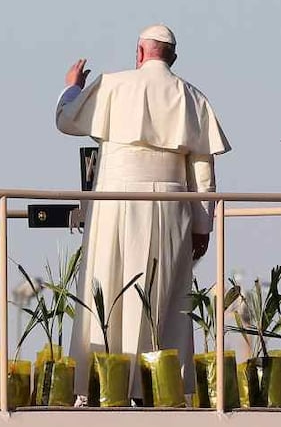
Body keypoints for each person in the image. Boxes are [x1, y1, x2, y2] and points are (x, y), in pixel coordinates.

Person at [55, 24, 230, 401]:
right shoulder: (192, 97)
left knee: (109, 285)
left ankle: (103, 386)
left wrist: (73, 86)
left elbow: (67, 119)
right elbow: (203, 171)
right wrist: (203, 225)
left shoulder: (114, 85)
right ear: (173, 57)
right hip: (172, 207)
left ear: (139, 53)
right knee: (165, 294)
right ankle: (159, 388)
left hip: (115, 204)